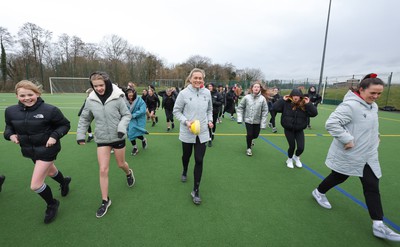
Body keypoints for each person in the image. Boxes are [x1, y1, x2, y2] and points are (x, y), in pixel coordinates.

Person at [311, 73, 400, 241]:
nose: (376, 97)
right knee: (339, 176)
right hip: (350, 153)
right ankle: (319, 192)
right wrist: (348, 139)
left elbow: (369, 125)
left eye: (379, 93)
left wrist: (376, 135)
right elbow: (331, 123)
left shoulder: (372, 106)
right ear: (361, 89)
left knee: (372, 185)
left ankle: (378, 225)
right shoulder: (350, 106)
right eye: (372, 93)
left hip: (369, 154)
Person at [4, 80, 71, 224]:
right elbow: (9, 128)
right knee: (51, 172)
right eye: (22, 95)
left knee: (35, 184)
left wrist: (54, 136)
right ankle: (64, 182)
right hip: (30, 150)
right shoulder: (10, 111)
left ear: (37, 94)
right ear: (16, 96)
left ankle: (52, 203)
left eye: (30, 94)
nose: (27, 98)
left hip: (48, 149)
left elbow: (64, 125)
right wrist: (10, 135)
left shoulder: (50, 110)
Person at [77, 71, 135, 218]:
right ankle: (105, 200)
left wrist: (122, 128)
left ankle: (128, 173)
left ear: (107, 83)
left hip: (118, 136)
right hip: (102, 138)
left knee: (121, 164)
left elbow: (127, 115)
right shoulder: (90, 100)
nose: (99, 88)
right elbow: (85, 118)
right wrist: (80, 135)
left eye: (101, 85)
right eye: (95, 86)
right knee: (103, 169)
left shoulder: (117, 97)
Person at [173, 68, 213, 205]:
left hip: (202, 133)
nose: (198, 80)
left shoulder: (207, 93)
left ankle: (196, 190)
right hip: (187, 132)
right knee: (186, 156)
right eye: (195, 78)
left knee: (199, 160)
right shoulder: (183, 94)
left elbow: (209, 110)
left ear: (203, 80)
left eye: (200, 78)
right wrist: (186, 122)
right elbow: (176, 111)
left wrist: (210, 120)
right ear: (190, 79)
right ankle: (184, 169)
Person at [272, 88, 318, 168]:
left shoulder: (304, 104)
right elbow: (274, 108)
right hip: (288, 128)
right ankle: (289, 159)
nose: (295, 97)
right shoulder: (286, 103)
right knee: (292, 146)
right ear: (291, 96)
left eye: (297, 96)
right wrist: (282, 100)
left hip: (299, 129)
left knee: (301, 147)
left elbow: (314, 113)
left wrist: (309, 104)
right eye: (293, 96)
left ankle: (296, 157)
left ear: (301, 96)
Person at [236, 82, 269, 156]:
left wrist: (263, 123)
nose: (256, 88)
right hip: (248, 120)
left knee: (255, 135)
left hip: (257, 121)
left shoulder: (262, 99)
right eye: (255, 87)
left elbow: (265, 111)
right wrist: (240, 119)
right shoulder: (246, 97)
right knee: (250, 134)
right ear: (252, 88)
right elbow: (240, 108)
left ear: (260, 88)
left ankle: (250, 139)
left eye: (258, 87)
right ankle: (249, 148)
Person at [125, 87, 148, 156]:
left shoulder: (139, 100)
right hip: (129, 119)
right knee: (130, 133)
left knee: (137, 132)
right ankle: (135, 147)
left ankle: (143, 139)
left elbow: (143, 110)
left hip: (138, 118)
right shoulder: (124, 100)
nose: (130, 97)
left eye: (131, 95)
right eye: (129, 95)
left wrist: (133, 115)